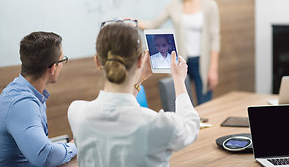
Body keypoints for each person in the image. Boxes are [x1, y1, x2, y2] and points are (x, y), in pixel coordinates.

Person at [67, 20, 200, 167]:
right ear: (139, 61)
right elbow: (190, 126)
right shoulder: (158, 124)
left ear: (97, 62)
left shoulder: (76, 112)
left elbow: (120, 109)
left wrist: (139, 79)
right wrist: (179, 80)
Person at [138, 0, 220, 105]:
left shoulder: (209, 5)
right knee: (183, 103)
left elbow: (215, 39)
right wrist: (132, 22)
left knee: (206, 104)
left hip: (202, 62)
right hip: (182, 62)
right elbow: (152, 25)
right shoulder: (173, 6)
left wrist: (213, 68)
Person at [0, 31, 77, 166]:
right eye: (62, 60)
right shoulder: (22, 104)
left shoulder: (20, 91)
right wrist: (76, 145)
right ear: (53, 68)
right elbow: (46, 157)